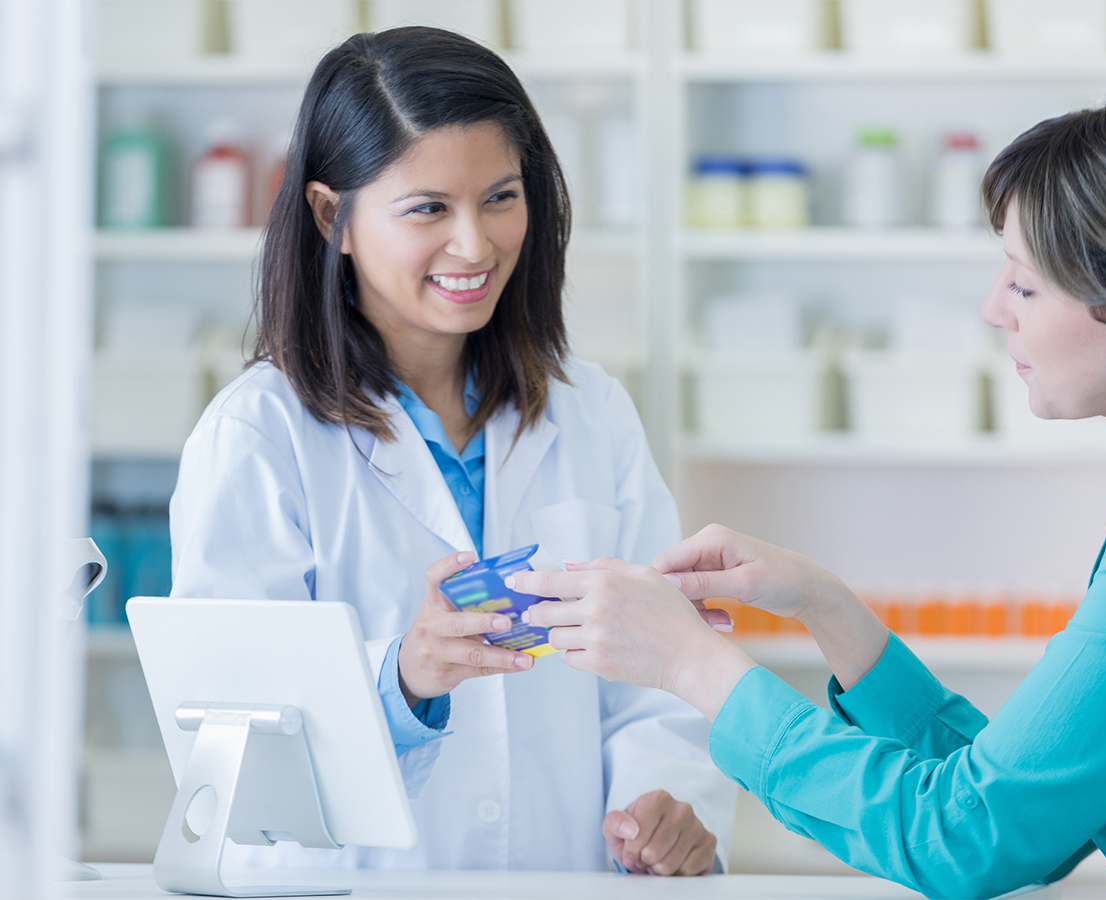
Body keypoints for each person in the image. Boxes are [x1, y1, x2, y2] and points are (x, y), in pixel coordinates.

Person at [513, 94, 1106, 898]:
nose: (992, 309)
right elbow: (1029, 820)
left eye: (1025, 286)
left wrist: (692, 664)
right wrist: (825, 604)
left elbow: (965, 838)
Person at [169, 27, 734, 874]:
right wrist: (401, 679)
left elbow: (657, 680)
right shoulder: (258, 436)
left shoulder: (590, 413)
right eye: (428, 208)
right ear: (335, 217)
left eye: (501, 197)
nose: (475, 245)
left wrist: (665, 802)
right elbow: (229, 741)